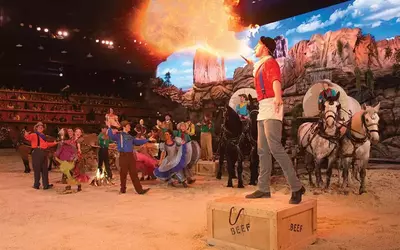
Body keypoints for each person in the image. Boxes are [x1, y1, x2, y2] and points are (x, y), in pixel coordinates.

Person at [245, 36, 305, 204]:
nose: (255, 48)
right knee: (262, 150)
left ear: (265, 48)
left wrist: (278, 97)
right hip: (263, 108)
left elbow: (275, 80)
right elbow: (261, 73)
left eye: (257, 45)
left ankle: (296, 187)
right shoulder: (261, 64)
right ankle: (263, 188)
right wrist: (252, 63)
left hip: (272, 106)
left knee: (275, 148)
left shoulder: (270, 63)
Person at [107, 120, 150, 195]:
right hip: (123, 155)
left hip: (130, 155)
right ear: (124, 127)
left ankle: (139, 190)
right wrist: (109, 127)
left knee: (134, 173)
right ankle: (123, 189)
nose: (130, 127)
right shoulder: (119, 135)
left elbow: (137, 142)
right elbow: (111, 136)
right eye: (128, 126)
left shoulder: (130, 136)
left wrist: (148, 140)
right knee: (123, 173)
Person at [24, 122, 58, 190]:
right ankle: (36, 184)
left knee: (45, 169)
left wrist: (53, 143)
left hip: (43, 152)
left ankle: (46, 185)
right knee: (37, 169)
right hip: (37, 152)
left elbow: (46, 144)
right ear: (36, 128)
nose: (40, 127)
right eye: (39, 126)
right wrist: (26, 134)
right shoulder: (34, 134)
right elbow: (27, 138)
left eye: (41, 126)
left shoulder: (43, 135)